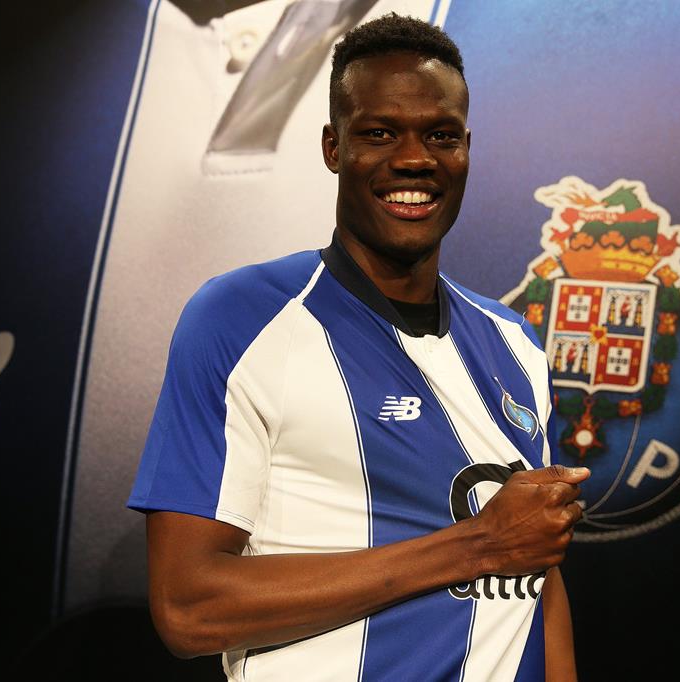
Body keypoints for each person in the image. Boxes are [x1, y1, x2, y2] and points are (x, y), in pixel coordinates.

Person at [127, 13, 588, 681]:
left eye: (441, 135)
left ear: (466, 149)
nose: (414, 159)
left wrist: (502, 549)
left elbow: (537, 574)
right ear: (333, 147)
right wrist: (476, 545)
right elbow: (188, 609)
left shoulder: (513, 342)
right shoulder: (240, 319)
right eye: (379, 133)